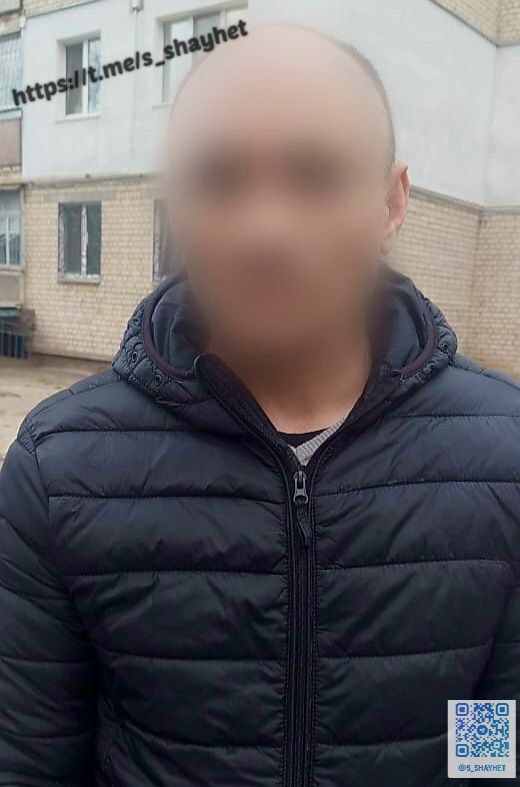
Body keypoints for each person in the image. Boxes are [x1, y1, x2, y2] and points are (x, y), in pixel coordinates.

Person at [0, 25, 519, 787]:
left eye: (315, 175)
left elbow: (493, 734)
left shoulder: (503, 454)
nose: (264, 230)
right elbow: (32, 759)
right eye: (218, 179)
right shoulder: (59, 468)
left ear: (391, 202)